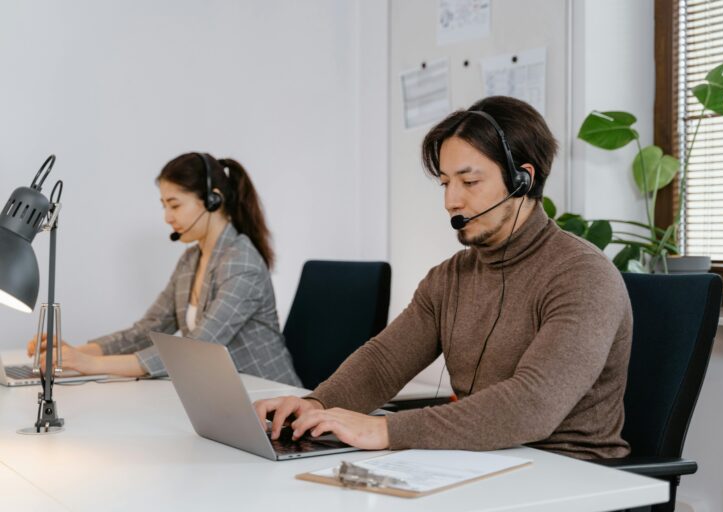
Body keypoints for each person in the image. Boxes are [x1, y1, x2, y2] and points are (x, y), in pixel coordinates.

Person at [254, 96, 633, 459]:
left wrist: (385, 430)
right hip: (483, 461)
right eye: (445, 183)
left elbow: (532, 404)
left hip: (573, 476)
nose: (451, 201)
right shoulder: (451, 277)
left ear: (522, 180)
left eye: (469, 183)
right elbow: (385, 361)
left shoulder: (583, 276)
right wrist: (314, 406)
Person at [29, 153, 301, 386]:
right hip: (225, 396)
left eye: (175, 205)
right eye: (164, 206)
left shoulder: (242, 264)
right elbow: (147, 330)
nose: (167, 217)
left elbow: (194, 350)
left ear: (213, 200)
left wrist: (90, 364)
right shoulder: (191, 260)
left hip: (272, 397)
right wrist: (77, 352)